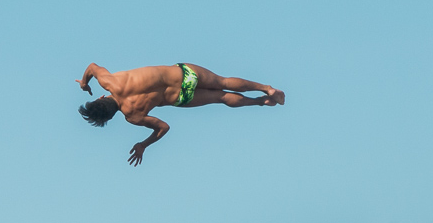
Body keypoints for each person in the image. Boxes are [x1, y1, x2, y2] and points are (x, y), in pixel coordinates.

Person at [76, 63, 285, 166]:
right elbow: (93, 67)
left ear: (111, 117)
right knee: (223, 82)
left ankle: (261, 102)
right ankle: (266, 88)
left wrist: (143, 145)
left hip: (179, 96)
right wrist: (85, 83)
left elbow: (163, 127)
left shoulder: (132, 116)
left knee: (220, 98)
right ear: (101, 98)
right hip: (183, 74)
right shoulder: (110, 82)